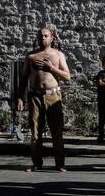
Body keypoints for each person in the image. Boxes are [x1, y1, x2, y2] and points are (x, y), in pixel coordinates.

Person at [17, 27, 71, 173]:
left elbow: (67, 76)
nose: (43, 38)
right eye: (41, 36)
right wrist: (19, 97)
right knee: (35, 133)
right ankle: (36, 163)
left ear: (52, 38)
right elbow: (23, 78)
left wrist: (51, 68)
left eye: (46, 36)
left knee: (56, 132)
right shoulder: (31, 56)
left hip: (52, 96)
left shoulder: (58, 55)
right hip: (34, 96)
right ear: (37, 37)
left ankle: (60, 163)